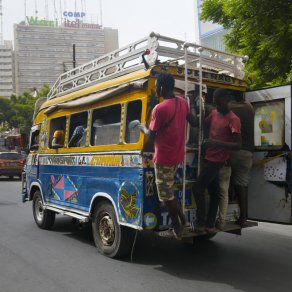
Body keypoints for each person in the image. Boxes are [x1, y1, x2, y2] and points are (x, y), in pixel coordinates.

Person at [139, 72, 196, 240]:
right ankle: (184, 220)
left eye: (156, 86)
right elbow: (193, 121)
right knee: (169, 191)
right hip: (177, 156)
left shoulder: (160, 108)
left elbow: (151, 137)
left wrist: (142, 128)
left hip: (163, 158)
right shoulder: (183, 103)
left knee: (165, 195)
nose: (156, 89)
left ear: (162, 87)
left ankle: (178, 228)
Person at [194, 88, 242, 234]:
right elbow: (202, 123)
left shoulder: (234, 119)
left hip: (217, 160)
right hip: (208, 157)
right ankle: (209, 225)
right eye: (215, 103)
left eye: (219, 103)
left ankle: (201, 223)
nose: (217, 106)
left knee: (197, 188)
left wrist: (215, 143)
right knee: (214, 192)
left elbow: (238, 145)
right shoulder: (214, 112)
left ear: (226, 101)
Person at [229, 94, 254, 227]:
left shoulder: (229, 108)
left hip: (234, 151)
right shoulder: (249, 107)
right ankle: (243, 216)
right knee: (242, 184)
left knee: (222, 178)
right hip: (248, 152)